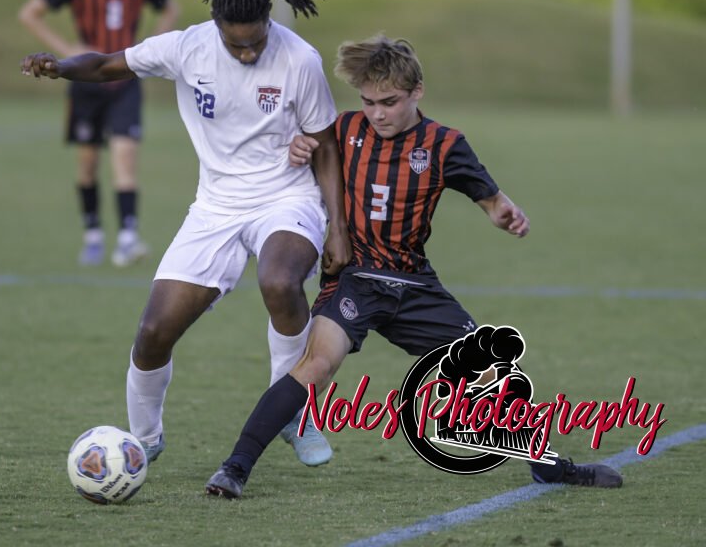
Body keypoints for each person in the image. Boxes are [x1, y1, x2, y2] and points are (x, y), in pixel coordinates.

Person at [205, 35, 623, 498]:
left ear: (417, 91)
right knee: (317, 363)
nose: (378, 113)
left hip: (414, 283)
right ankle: (235, 468)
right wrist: (300, 150)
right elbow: (300, 159)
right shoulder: (343, 131)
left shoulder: (444, 145)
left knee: (490, 373)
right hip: (356, 278)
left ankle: (548, 466)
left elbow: (492, 199)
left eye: (389, 102)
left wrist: (506, 214)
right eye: (368, 102)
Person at [21, 0, 351, 468]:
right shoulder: (187, 47)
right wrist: (60, 67)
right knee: (153, 333)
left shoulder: (299, 59)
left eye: (255, 42)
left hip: (286, 197)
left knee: (280, 281)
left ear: (269, 19)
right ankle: (144, 440)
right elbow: (109, 64)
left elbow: (327, 146)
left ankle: (290, 409)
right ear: (216, 23)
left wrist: (336, 226)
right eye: (235, 44)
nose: (246, 53)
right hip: (214, 207)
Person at [18, 0, 179, 267]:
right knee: (88, 162)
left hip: (124, 77)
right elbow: (30, 12)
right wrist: (67, 52)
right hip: (85, 80)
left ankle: (127, 237)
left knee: (125, 156)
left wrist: (152, 44)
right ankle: (93, 234)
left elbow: (170, 7)